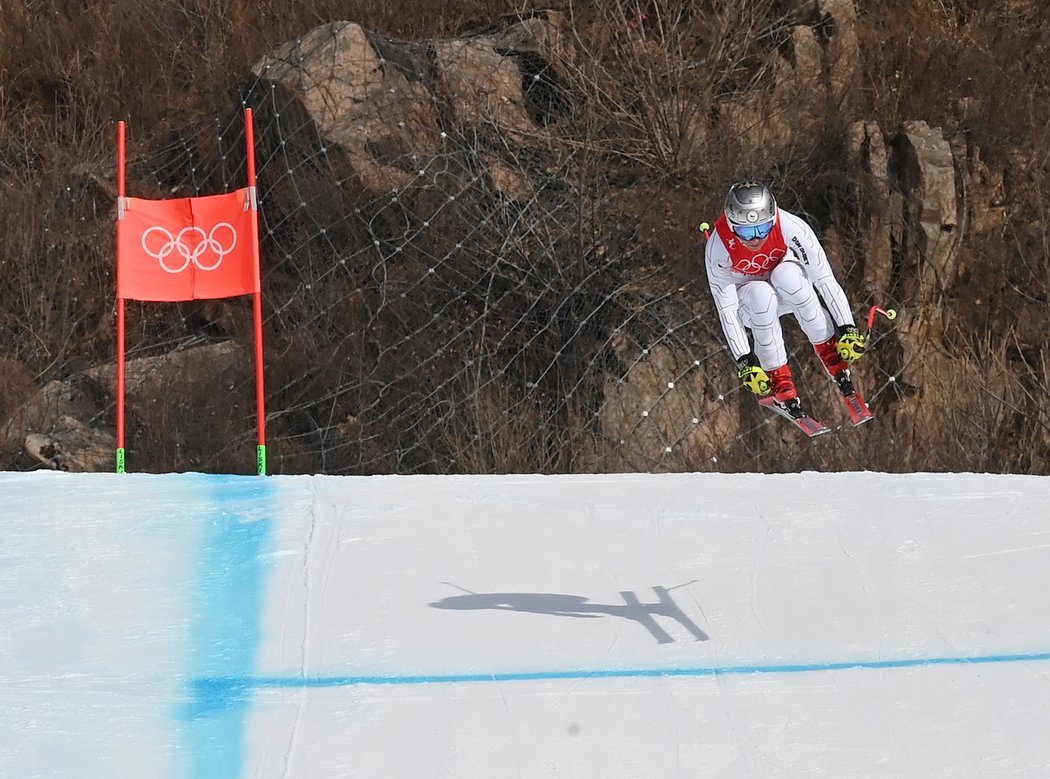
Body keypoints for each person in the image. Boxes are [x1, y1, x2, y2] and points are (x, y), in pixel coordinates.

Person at [703, 180, 867, 414]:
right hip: (752, 302)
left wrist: (847, 327)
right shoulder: (718, 248)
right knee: (761, 295)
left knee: (789, 277)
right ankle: (778, 378)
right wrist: (745, 360)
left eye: (763, 229)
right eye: (746, 231)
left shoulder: (791, 226)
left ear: (773, 218)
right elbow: (727, 309)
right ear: (731, 224)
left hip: (787, 288)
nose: (755, 239)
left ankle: (831, 352)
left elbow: (824, 279)